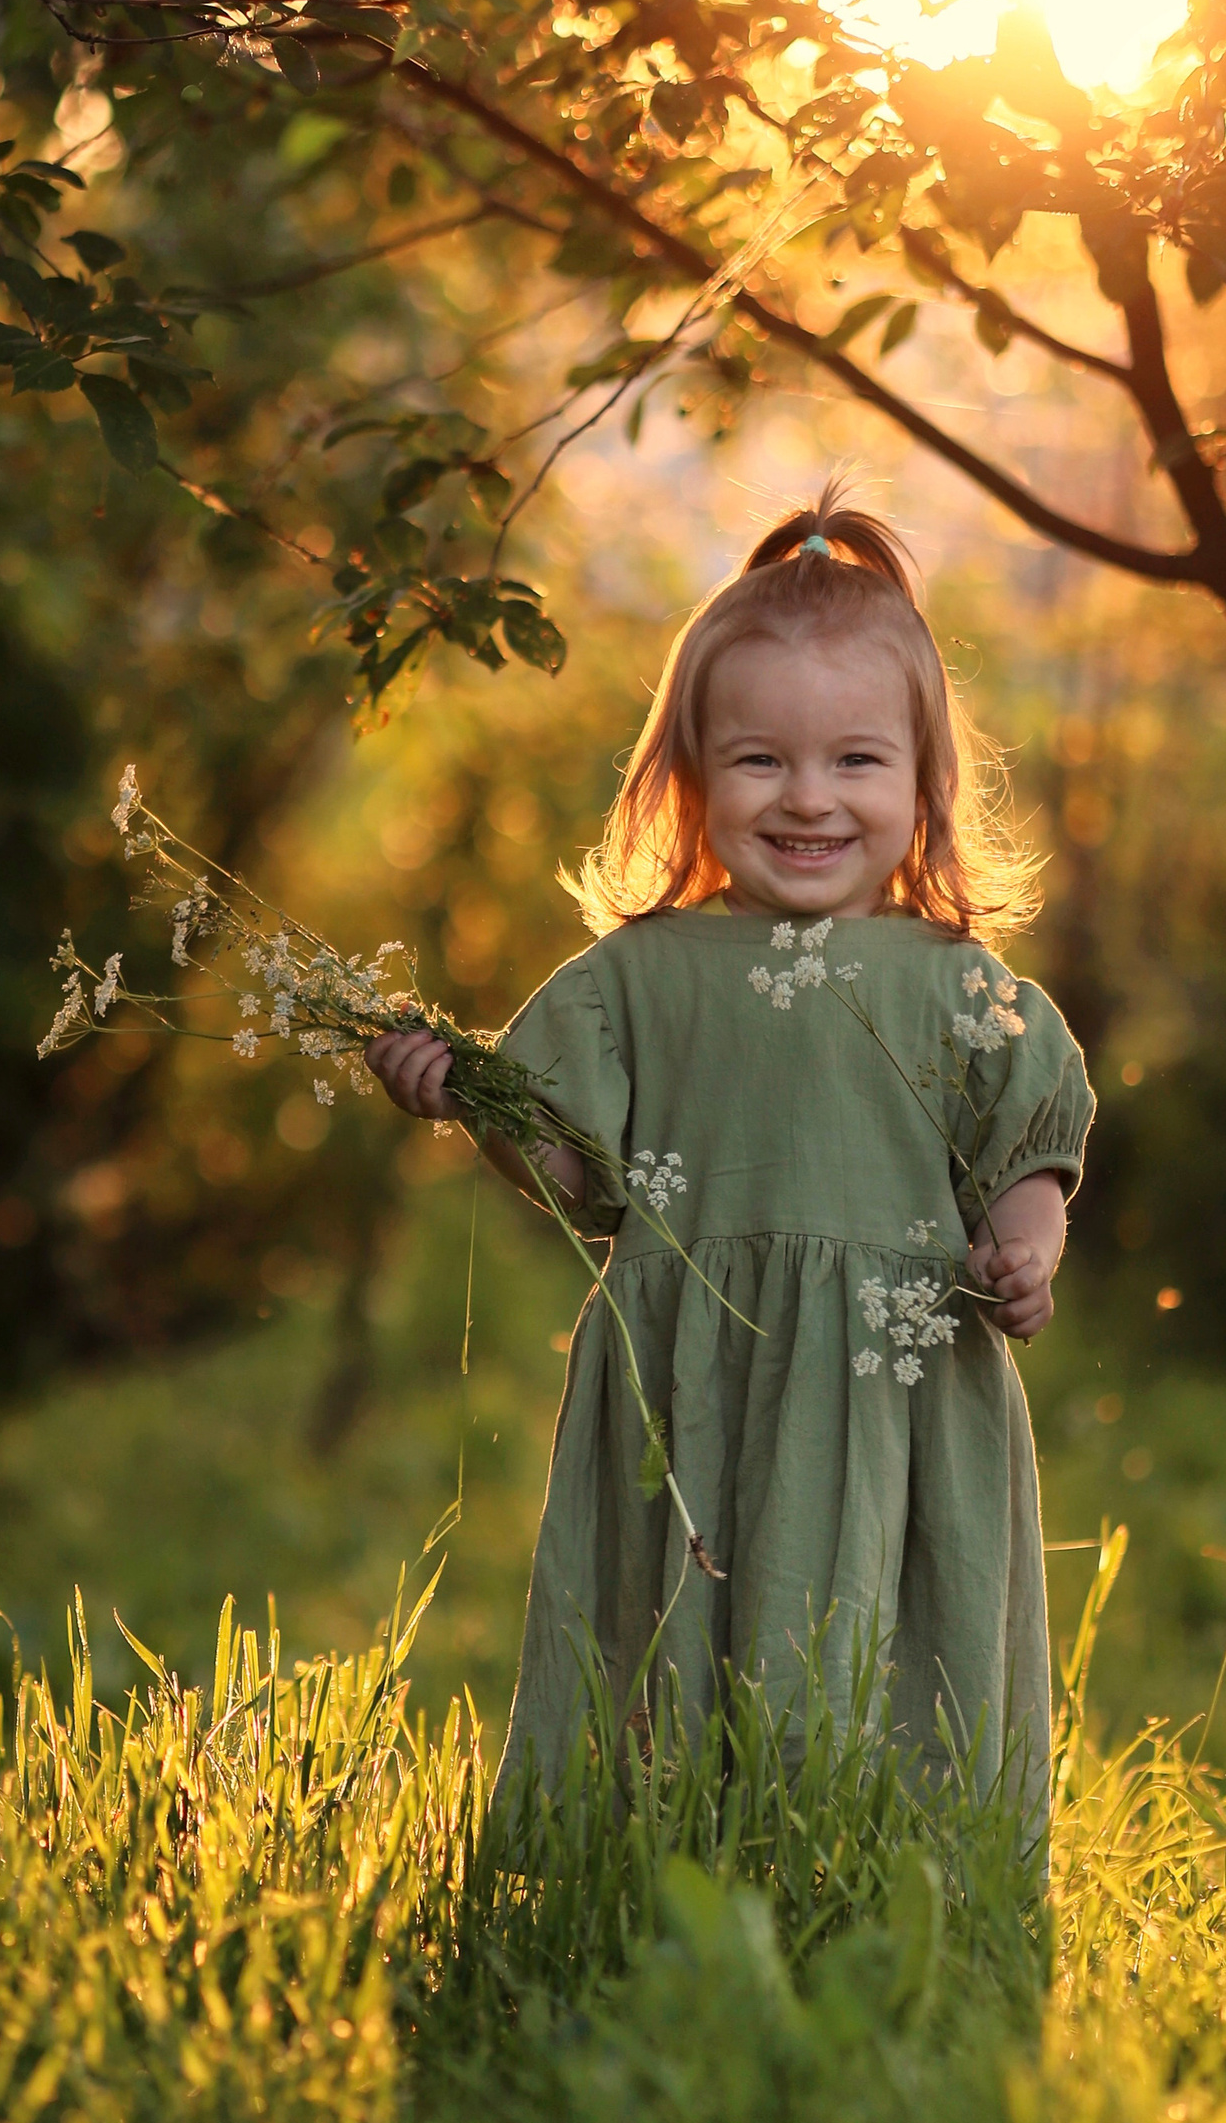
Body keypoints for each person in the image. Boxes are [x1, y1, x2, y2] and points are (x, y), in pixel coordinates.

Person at [366, 486, 1093, 1822]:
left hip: (896, 1389)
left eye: (857, 763)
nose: (809, 800)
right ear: (692, 777)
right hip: (696, 1390)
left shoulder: (958, 987)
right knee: (671, 1653)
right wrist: (470, 1101)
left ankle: (897, 1898)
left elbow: (1025, 1157)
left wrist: (1025, 1255)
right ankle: (665, 1886)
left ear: (926, 782)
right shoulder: (636, 977)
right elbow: (580, 1184)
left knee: (890, 1665)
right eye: (762, 761)